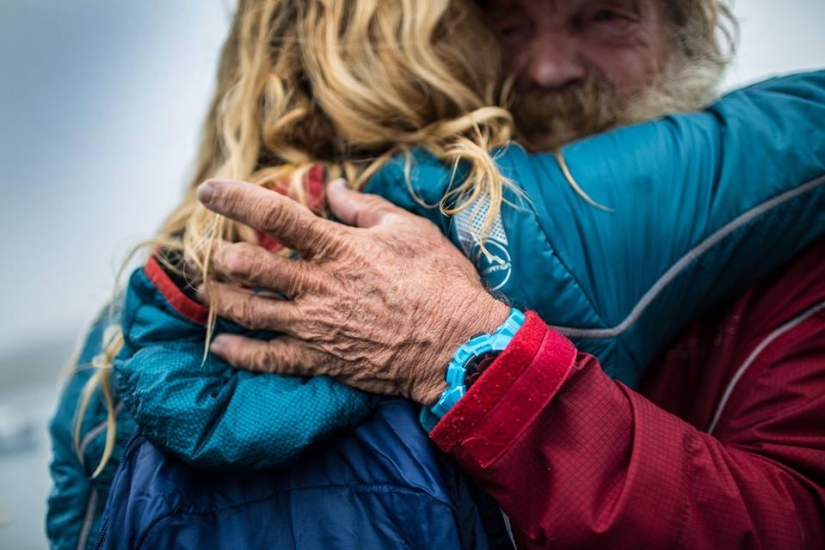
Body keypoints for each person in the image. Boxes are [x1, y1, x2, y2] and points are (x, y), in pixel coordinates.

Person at [48, 0, 825, 549]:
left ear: (689, 30)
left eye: (602, 15)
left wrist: (470, 354)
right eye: (507, 22)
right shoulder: (457, 224)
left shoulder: (791, 256)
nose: (548, 69)